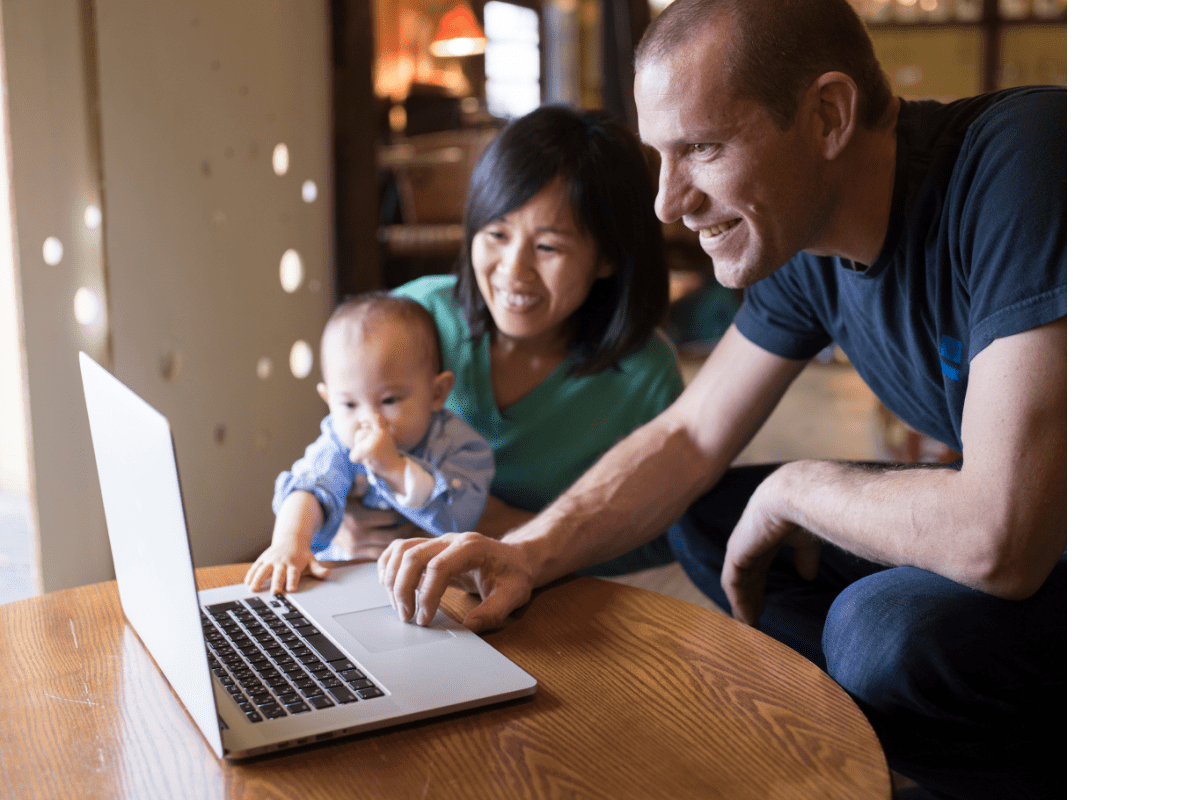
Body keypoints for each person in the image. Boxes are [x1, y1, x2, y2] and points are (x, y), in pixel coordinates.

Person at [372, 2, 1066, 798]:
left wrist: (795, 486)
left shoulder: (1024, 160)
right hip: (1035, 540)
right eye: (658, 157)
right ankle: (890, 746)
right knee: (711, 519)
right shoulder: (806, 243)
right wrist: (528, 552)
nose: (668, 203)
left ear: (829, 115)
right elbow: (690, 438)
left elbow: (999, 539)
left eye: (701, 148)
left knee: (879, 631)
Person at [336, 105, 684, 575]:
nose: (513, 271)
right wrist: (337, 520)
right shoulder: (414, 319)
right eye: (496, 233)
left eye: (548, 246)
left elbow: (663, 538)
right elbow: (336, 446)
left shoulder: (645, 377)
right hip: (383, 582)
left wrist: (513, 531)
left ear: (607, 256)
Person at [245, 293, 494, 595]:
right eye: (349, 404)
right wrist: (289, 541)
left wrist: (392, 467)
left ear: (437, 393)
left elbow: (459, 519)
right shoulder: (339, 441)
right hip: (342, 578)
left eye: (389, 400)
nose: (369, 421)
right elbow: (310, 486)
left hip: (429, 589)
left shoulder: (460, 445)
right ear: (329, 402)